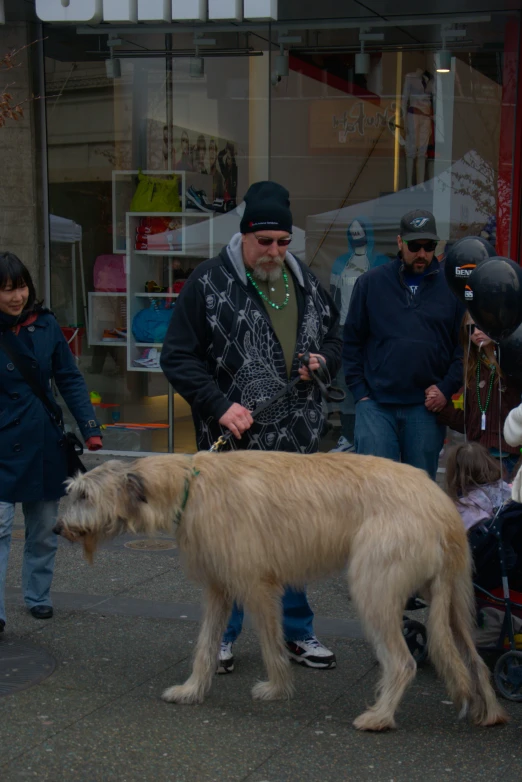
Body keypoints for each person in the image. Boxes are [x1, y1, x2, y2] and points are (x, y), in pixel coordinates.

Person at [160, 181, 341, 674]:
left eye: (284, 241)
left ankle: (297, 633)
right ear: (244, 235)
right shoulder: (207, 282)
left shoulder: (307, 281)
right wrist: (219, 405)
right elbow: (176, 356)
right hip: (237, 449)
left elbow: (336, 338)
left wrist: (323, 360)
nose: (275, 251)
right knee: (233, 546)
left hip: (297, 444)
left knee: (295, 539)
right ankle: (224, 637)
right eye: (265, 242)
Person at [0, 252, 102, 633]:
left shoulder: (44, 325)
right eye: (7, 290)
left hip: (43, 440)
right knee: (0, 528)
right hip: (2, 444)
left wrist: (89, 426)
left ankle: (38, 596)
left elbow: (69, 377)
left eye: (21, 287)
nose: (16, 297)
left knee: (43, 529)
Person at [343, 209, 464, 479]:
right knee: (375, 490)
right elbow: (351, 341)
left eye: (429, 246)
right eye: (415, 246)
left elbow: (463, 349)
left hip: (425, 408)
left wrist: (446, 389)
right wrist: (360, 393)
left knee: (420, 495)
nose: (422, 253)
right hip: (375, 406)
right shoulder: (370, 284)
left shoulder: (452, 289)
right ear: (400, 242)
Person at [438, 313, 522, 478]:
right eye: (470, 328)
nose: (476, 332)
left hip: (508, 455)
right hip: (478, 457)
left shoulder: (512, 362)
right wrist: (440, 408)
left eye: (482, 326)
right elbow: (469, 421)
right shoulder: (472, 369)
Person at [329, 217, 388, 452]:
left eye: (360, 231)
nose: (356, 235)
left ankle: (371, 437)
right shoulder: (340, 263)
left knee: (373, 381)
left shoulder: (380, 262)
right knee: (345, 383)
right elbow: (333, 295)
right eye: (351, 231)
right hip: (344, 328)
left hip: (373, 330)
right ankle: (347, 435)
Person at [445, 442, 512, 532]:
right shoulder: (504, 487)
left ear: (454, 473)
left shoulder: (461, 506)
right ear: (489, 462)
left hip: (481, 544)